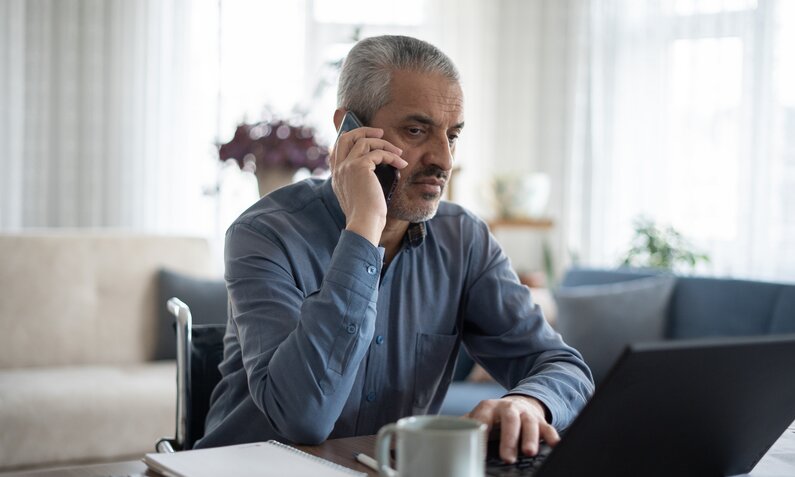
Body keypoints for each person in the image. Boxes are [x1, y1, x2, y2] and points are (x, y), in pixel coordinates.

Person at [195, 35, 593, 463]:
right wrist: (365, 226)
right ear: (349, 129)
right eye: (417, 130)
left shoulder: (464, 240)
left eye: (453, 135)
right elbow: (303, 418)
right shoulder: (265, 234)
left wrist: (529, 402)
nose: (444, 159)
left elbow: (564, 367)